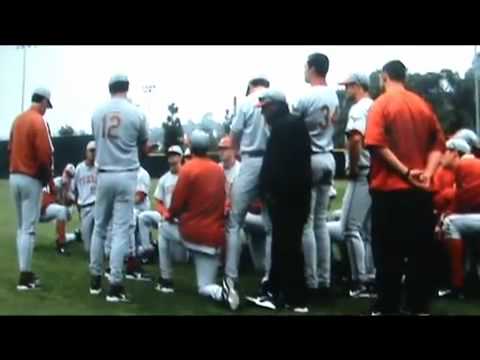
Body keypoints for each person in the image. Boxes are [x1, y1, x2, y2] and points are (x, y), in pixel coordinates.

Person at [364, 60, 445, 315]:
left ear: (384, 77)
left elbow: (376, 144)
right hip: (421, 192)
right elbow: (438, 145)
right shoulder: (422, 104)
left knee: (388, 253)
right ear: (405, 77)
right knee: (420, 252)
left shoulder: (381, 104)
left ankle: (388, 305)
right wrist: (427, 174)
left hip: (390, 191)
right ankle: (418, 305)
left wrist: (406, 172)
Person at [89, 74, 156, 303]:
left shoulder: (97, 112)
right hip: (127, 174)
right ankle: (115, 284)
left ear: (109, 88)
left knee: (99, 228)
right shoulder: (136, 112)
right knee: (120, 231)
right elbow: (145, 148)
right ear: (127, 87)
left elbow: (98, 142)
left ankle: (95, 278)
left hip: (103, 173)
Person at [246, 90, 312, 313]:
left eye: (265, 108)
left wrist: (268, 191)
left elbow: (276, 166)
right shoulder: (294, 123)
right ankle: (277, 290)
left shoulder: (283, 127)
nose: (263, 113)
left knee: (286, 247)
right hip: (298, 195)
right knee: (287, 246)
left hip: (285, 197)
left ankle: (292, 298)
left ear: (275, 106)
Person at [167, 130, 239, 310]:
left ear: (190, 147)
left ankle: (164, 278)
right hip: (215, 238)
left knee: (163, 228)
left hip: (193, 234)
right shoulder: (218, 169)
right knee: (205, 286)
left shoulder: (188, 169)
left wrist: (172, 216)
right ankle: (222, 292)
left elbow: (175, 206)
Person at [292, 53, 340, 298]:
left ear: (312, 68)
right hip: (329, 155)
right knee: (321, 222)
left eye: (305, 66)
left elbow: (292, 126)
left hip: (310, 158)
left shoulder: (306, 95)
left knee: (307, 223)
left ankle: (310, 282)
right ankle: (324, 280)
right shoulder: (333, 95)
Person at [223, 77, 273, 299]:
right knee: (272, 225)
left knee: (234, 222)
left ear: (250, 87)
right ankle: (270, 278)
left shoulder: (245, 103)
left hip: (251, 160)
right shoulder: (278, 99)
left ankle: (230, 277)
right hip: (273, 161)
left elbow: (233, 139)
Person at [9, 87, 54, 290]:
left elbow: (10, 148)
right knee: (28, 229)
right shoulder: (39, 121)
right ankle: (25, 277)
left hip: (14, 176)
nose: (47, 109)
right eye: (47, 105)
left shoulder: (17, 120)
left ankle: (24, 271)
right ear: (43, 101)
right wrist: (49, 181)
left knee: (21, 228)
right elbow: (45, 155)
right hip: (30, 179)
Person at [337, 73, 375, 298]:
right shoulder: (375, 106)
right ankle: (371, 278)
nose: (346, 90)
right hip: (375, 171)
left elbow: (355, 139)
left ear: (358, 86)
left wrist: (351, 167)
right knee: (368, 231)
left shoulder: (359, 108)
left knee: (350, 228)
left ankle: (360, 281)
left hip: (361, 171)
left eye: (349, 86)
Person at [136, 146, 189, 293]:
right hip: (168, 218)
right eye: (170, 155)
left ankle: (166, 278)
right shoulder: (165, 179)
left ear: (181, 157)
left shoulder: (188, 176)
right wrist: (165, 213)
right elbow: (158, 201)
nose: (172, 157)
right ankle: (148, 250)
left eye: (175, 155)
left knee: (181, 258)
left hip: (186, 222)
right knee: (145, 218)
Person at [439, 138, 480, 299]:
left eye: (445, 151)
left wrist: (444, 215)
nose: (442, 156)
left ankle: (457, 285)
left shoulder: (465, 165)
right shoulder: (472, 164)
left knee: (450, 224)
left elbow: (465, 200)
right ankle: (470, 281)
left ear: (455, 153)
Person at [39, 163, 76, 255]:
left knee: (66, 212)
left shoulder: (70, 189)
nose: (68, 177)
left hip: (50, 211)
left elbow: (69, 211)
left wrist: (70, 201)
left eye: (70, 175)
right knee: (63, 211)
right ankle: (61, 243)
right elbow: (45, 196)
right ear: (64, 172)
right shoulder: (56, 182)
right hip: (41, 210)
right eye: (67, 174)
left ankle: (66, 238)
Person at [73, 140, 97, 254]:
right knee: (87, 247)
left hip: (97, 206)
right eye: (91, 151)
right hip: (84, 207)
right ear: (86, 152)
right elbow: (75, 188)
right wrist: (77, 205)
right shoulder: (79, 168)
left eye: (95, 151)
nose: (93, 153)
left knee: (100, 238)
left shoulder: (99, 168)